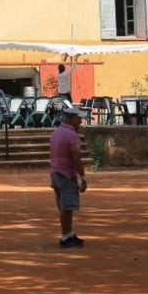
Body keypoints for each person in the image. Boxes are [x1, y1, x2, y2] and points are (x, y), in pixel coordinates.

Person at [49, 106, 87, 248]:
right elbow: (76, 157)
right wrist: (82, 178)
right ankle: (65, 237)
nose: (81, 121)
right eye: (79, 118)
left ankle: (69, 234)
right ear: (72, 119)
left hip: (56, 173)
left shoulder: (56, 133)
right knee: (66, 207)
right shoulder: (72, 135)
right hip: (66, 175)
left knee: (66, 206)